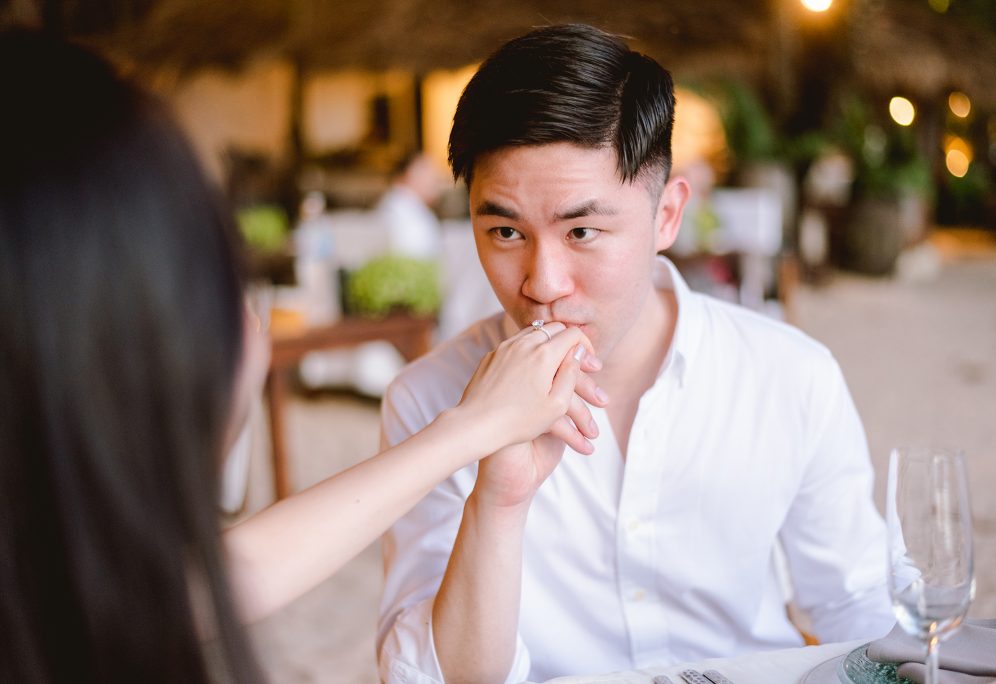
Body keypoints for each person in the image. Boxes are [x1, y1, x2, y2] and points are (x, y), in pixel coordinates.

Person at [0, 29, 603, 682]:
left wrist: (472, 436)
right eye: (208, 258)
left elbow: (231, 572)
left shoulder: (56, 589)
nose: (245, 317)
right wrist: (472, 430)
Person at [377, 23, 895, 684]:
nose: (541, 283)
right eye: (504, 230)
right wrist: (495, 496)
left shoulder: (790, 376)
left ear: (667, 215)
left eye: (582, 230)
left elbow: (857, 607)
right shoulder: (428, 402)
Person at [376, 150, 445, 259]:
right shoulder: (399, 208)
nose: (435, 180)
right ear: (408, 174)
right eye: (427, 172)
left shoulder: (408, 205)